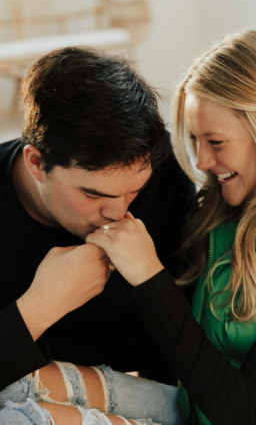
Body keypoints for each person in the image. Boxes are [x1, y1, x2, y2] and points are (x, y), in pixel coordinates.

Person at [82, 29, 256, 425]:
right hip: (192, 411)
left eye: (216, 141)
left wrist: (149, 277)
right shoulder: (222, 208)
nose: (203, 162)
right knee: (29, 389)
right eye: (194, 139)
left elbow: (244, 413)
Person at [0, 47, 195, 423]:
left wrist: (150, 277)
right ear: (36, 163)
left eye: (134, 190)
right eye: (92, 194)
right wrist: (41, 306)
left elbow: (187, 343)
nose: (119, 212)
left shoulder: (164, 174)